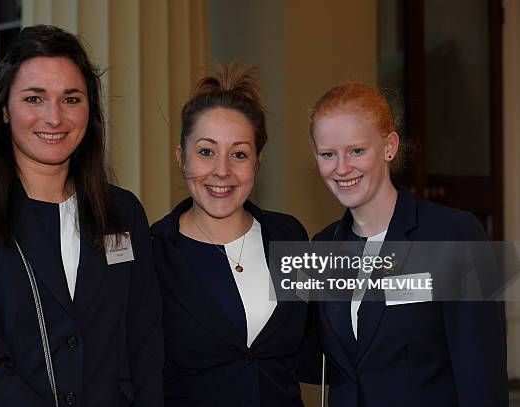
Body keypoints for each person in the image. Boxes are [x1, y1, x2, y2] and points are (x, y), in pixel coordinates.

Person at [0, 25, 163, 406]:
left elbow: (144, 346)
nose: (54, 118)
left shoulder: (122, 213)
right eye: (34, 98)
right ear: (4, 109)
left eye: (71, 99)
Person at [304, 82, 508, 406]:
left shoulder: (455, 234)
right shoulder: (323, 246)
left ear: (389, 146)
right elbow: (315, 359)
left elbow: (482, 375)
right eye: (328, 154)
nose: (341, 168)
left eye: (356, 150)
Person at [151, 65, 310, 406]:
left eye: (239, 154)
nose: (222, 170)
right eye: (206, 151)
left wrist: (448, 268)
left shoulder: (288, 235)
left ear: (257, 163)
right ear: (182, 159)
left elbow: (347, 313)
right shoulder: (152, 253)